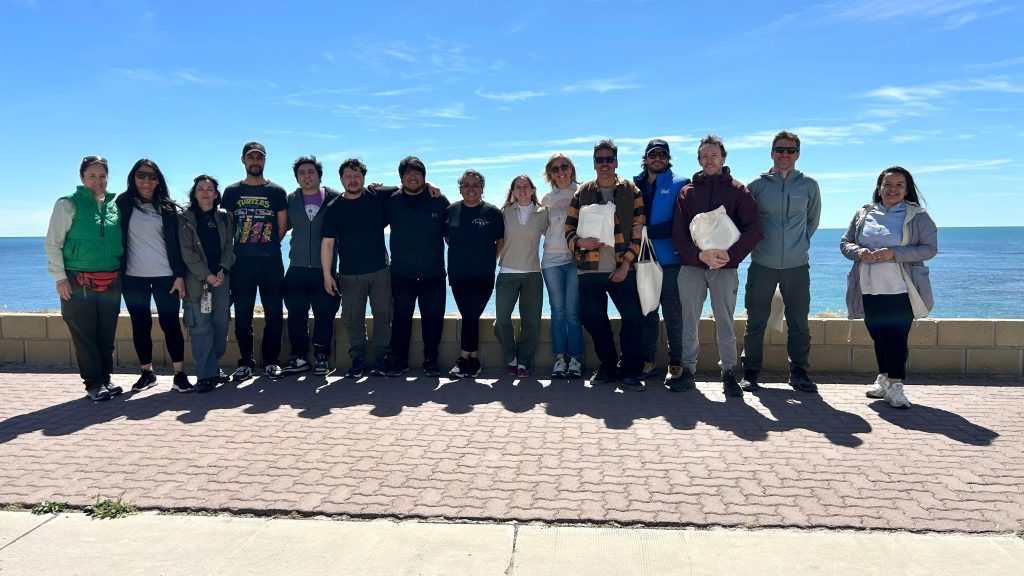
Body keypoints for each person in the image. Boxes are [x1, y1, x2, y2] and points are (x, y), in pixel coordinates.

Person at [671, 135, 763, 396]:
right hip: (692, 266)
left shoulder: (737, 190)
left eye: (714, 155)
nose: (709, 160)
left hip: (725, 267)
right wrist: (699, 256)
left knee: (724, 320)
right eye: (704, 156)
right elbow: (678, 233)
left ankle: (728, 373)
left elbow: (755, 229)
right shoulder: (687, 192)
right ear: (699, 160)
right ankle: (688, 372)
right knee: (689, 320)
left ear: (723, 158)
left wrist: (729, 255)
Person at [841, 166, 937, 409]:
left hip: (901, 288)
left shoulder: (918, 216)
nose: (892, 189)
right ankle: (883, 378)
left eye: (899, 185)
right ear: (879, 187)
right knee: (878, 335)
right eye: (888, 184)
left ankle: (896, 386)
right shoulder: (864, 213)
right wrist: (859, 252)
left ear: (907, 189)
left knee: (896, 337)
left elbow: (929, 248)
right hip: (868, 287)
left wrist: (894, 253)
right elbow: (845, 243)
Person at [740, 131, 821, 393]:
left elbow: (812, 221)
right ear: (771, 152)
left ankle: (799, 373)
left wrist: (800, 244)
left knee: (799, 322)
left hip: (797, 266)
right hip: (762, 263)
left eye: (790, 150)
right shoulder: (757, 185)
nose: (784, 155)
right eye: (779, 149)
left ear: (797, 154)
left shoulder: (809, 185)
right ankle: (750, 373)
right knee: (756, 321)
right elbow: (747, 222)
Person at [564, 139, 646, 392]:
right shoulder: (583, 192)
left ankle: (630, 371)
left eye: (608, 159)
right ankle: (609, 366)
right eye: (600, 160)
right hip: (589, 270)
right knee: (592, 319)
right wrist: (580, 242)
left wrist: (625, 265)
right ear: (594, 163)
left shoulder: (631, 191)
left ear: (616, 162)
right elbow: (568, 229)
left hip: (623, 268)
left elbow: (638, 234)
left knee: (633, 319)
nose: (604, 164)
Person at [44, 156, 124, 402]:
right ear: (82, 178)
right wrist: (60, 278)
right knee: (85, 335)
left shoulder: (113, 205)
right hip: (78, 281)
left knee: (106, 334)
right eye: (92, 176)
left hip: (110, 279)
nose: (97, 181)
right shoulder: (68, 204)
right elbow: (53, 243)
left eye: (102, 176)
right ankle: (93, 384)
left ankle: (106, 380)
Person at [115, 159, 190, 393]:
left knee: (171, 325)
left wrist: (180, 275)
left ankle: (179, 374)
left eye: (151, 176)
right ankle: (147, 373)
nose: (146, 181)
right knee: (140, 325)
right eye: (141, 175)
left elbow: (178, 245)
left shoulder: (168, 209)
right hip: (132, 276)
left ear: (158, 180)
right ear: (133, 178)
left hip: (165, 276)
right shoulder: (123, 203)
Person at [321, 159, 398, 378]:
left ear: (364, 178)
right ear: (341, 179)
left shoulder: (377, 196)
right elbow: (327, 243)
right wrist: (327, 275)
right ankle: (358, 359)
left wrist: (430, 185)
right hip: (349, 273)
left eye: (357, 176)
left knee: (384, 315)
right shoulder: (334, 207)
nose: (352, 180)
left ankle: (382, 359)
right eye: (348, 176)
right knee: (352, 318)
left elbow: (407, 186)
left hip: (380, 270)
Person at [222, 142, 289, 381]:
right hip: (241, 263)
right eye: (251, 157)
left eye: (259, 158)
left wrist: (266, 245)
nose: (255, 162)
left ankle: (271, 362)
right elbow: (227, 228)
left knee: (274, 314)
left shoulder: (277, 191)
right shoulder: (231, 192)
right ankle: (246, 363)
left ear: (265, 161)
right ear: (243, 160)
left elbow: (282, 227)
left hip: (271, 261)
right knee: (242, 315)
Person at [385, 156, 451, 377]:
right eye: (408, 174)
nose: (413, 178)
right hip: (402, 273)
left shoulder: (439, 200)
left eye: (417, 173)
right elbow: (368, 194)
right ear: (401, 177)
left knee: (433, 319)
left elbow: (452, 234)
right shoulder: (391, 200)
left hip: (433, 273)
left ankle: (431, 359)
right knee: (401, 318)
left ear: (424, 176)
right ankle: (399, 360)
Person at [632, 139, 690, 385]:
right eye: (652, 154)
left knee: (673, 314)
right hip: (640, 260)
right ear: (645, 158)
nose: (657, 158)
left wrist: (646, 231)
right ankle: (648, 361)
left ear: (668, 158)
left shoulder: (681, 184)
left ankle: (676, 362)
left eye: (662, 154)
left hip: (670, 261)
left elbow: (681, 223)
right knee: (647, 312)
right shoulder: (633, 185)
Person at [281, 156, 342, 376]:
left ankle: (322, 357)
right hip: (296, 268)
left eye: (311, 172)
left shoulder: (335, 198)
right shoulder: (290, 200)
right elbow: (279, 228)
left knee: (325, 313)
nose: (306, 176)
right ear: (297, 178)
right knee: (296, 314)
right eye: (302, 173)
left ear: (318, 175)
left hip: (325, 270)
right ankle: (298, 357)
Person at [179, 175, 236, 393]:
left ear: (216, 194)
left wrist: (222, 269)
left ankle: (214, 368)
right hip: (196, 283)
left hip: (221, 281)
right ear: (194, 193)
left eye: (209, 189)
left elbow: (230, 248)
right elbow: (187, 252)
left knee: (221, 327)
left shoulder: (224, 218)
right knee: (201, 328)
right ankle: (205, 375)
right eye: (200, 189)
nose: (205, 193)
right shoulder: (184, 219)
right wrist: (206, 275)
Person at [445, 170, 504, 378]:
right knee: (469, 315)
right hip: (458, 274)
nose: (471, 189)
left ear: (482, 189)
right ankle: (472, 360)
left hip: (483, 275)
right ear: (460, 188)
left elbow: (501, 241)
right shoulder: (450, 210)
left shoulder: (492, 213)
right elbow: (448, 238)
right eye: (466, 185)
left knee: (471, 314)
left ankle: (464, 359)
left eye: (475, 185)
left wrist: (490, 261)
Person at [493, 175, 547, 378]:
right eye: (518, 187)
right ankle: (510, 357)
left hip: (533, 274)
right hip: (507, 273)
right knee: (502, 321)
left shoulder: (543, 213)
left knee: (531, 322)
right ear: (513, 191)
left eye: (526, 187)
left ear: (533, 190)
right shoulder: (504, 212)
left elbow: (555, 237)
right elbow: (496, 239)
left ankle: (523, 361)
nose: (522, 190)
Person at [540, 154, 584, 379]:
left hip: (576, 259)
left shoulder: (584, 191)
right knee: (557, 311)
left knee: (572, 312)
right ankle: (559, 359)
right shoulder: (546, 198)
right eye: (555, 169)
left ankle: (575, 360)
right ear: (550, 173)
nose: (560, 171)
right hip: (551, 259)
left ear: (571, 168)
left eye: (564, 166)